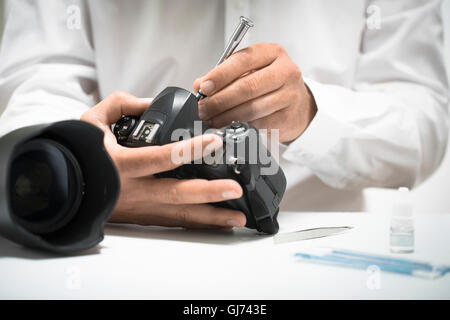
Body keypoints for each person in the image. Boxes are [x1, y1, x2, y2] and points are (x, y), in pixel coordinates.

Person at [0, 0, 448, 228]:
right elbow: (37, 82)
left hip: (319, 246)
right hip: (120, 241)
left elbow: (423, 119)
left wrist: (310, 114)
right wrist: (83, 179)